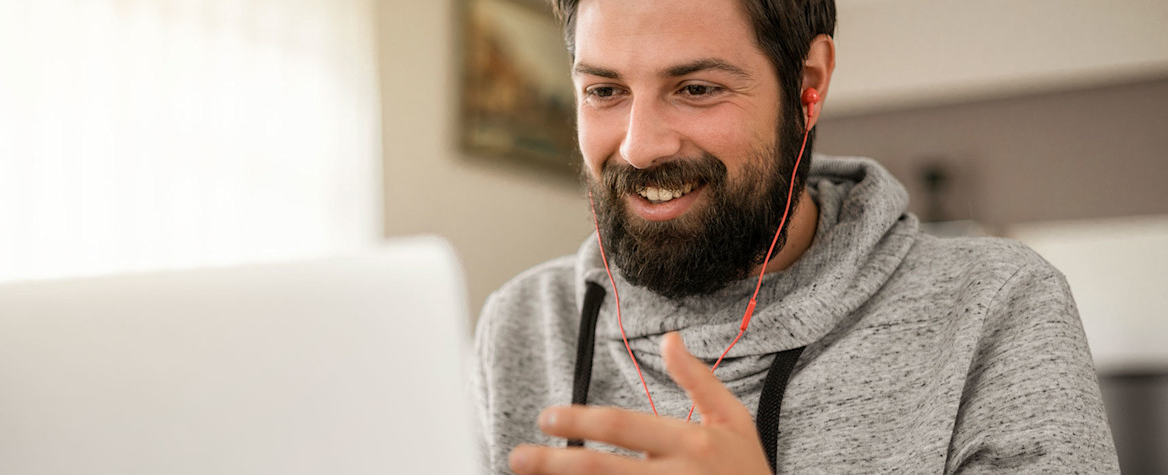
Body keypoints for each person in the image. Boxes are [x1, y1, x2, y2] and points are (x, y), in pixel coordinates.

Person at [470, 0, 1121, 473]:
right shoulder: (523, 323)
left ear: (807, 84)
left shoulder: (992, 306)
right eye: (604, 89)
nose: (639, 147)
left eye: (695, 88)